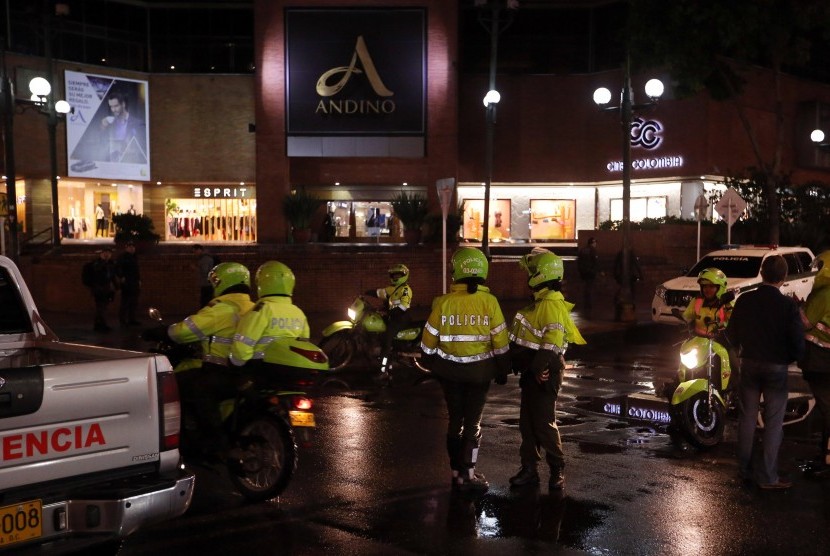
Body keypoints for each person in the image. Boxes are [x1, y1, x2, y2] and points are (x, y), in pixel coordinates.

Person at [420, 247, 511, 493]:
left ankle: (455, 473)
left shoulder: (444, 302)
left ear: (456, 272)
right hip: (479, 375)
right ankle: (468, 475)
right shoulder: (489, 302)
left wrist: (428, 361)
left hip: (449, 374)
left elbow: (428, 339)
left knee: (455, 422)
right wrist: (503, 369)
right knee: (473, 424)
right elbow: (500, 341)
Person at [507, 249, 586, 490]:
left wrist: (538, 368)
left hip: (545, 371)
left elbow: (551, 343)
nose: (528, 276)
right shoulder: (543, 302)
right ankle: (529, 468)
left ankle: (557, 467)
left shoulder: (550, 304)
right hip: (535, 370)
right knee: (527, 423)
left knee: (542, 423)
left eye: (532, 271)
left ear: (541, 275)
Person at [727, 255, 805, 489]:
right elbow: (797, 342)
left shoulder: (745, 301)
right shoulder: (788, 306)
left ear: (762, 274)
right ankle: (768, 476)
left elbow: (731, 334)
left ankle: (744, 470)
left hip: (749, 363)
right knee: (773, 422)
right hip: (776, 367)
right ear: (783, 278)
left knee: (747, 419)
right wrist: (791, 358)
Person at [167, 262, 255, 460]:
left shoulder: (221, 309)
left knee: (175, 385)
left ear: (222, 282)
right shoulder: (254, 307)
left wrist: (165, 331)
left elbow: (184, 331)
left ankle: (209, 441)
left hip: (219, 370)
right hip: (244, 371)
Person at [230, 261, 311, 386]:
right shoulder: (298, 312)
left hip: (262, 368)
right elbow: (304, 343)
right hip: (290, 369)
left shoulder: (262, 310)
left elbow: (242, 346)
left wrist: (237, 363)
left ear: (261, 284)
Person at [676, 267, 737, 392]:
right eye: (704, 286)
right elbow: (687, 316)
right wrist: (684, 322)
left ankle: (732, 392)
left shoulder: (727, 303)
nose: (707, 290)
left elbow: (735, 321)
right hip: (699, 340)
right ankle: (679, 386)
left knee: (735, 366)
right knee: (682, 360)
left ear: (720, 287)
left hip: (721, 340)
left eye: (711, 286)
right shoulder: (697, 301)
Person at [800, 250, 830, 473]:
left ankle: (826, 458)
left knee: (826, 408)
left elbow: (807, 323)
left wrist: (797, 307)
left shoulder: (824, 293)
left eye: (819, 267)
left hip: (820, 359)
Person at [365, 263, 413, 376]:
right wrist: (366, 293)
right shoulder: (393, 288)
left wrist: (389, 312)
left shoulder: (405, 289)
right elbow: (380, 292)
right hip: (393, 317)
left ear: (404, 276)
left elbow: (403, 307)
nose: (395, 278)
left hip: (401, 318)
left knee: (386, 339)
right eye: (394, 275)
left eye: (398, 275)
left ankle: (383, 370)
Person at [100, 92, 143, 162]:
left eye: (116, 106)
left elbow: (141, 148)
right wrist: (103, 127)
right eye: (111, 106)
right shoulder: (110, 123)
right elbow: (103, 144)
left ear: (123, 104)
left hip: (130, 161)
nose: (113, 110)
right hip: (112, 162)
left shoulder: (138, 124)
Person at [85, 248, 117, 332]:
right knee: (101, 307)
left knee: (103, 307)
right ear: (101, 254)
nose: (107, 255)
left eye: (108, 253)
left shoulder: (111, 264)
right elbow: (95, 275)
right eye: (105, 253)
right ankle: (101, 325)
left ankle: (99, 324)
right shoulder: (96, 264)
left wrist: (115, 286)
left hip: (107, 289)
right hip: (99, 289)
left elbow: (112, 276)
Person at [115, 241, 141, 326]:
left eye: (133, 247)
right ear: (126, 248)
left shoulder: (134, 257)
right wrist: (121, 277)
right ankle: (123, 320)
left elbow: (136, 271)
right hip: (127, 282)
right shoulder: (123, 257)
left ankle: (131, 319)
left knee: (133, 302)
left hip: (134, 281)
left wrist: (139, 280)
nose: (132, 248)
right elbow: (118, 268)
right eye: (129, 247)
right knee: (125, 302)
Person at [613, 248, 644, 320]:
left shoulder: (620, 253)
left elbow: (616, 265)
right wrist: (641, 275)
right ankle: (629, 310)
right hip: (630, 277)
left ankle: (622, 309)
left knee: (622, 292)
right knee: (631, 293)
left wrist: (616, 275)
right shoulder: (630, 253)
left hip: (622, 277)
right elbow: (636, 264)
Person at [576, 237, 600, 318]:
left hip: (583, 272)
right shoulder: (592, 250)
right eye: (595, 242)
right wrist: (598, 271)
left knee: (585, 287)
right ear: (592, 243)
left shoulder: (582, 250)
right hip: (590, 272)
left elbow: (579, 261)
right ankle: (588, 304)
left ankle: (585, 302)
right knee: (589, 287)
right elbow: (595, 262)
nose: (596, 244)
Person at [193, 244, 218, 308]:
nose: (194, 254)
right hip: (209, 283)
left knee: (205, 301)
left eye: (195, 251)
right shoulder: (206, 257)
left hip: (207, 284)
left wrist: (195, 268)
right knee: (207, 301)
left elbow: (205, 271)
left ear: (199, 250)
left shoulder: (205, 259)